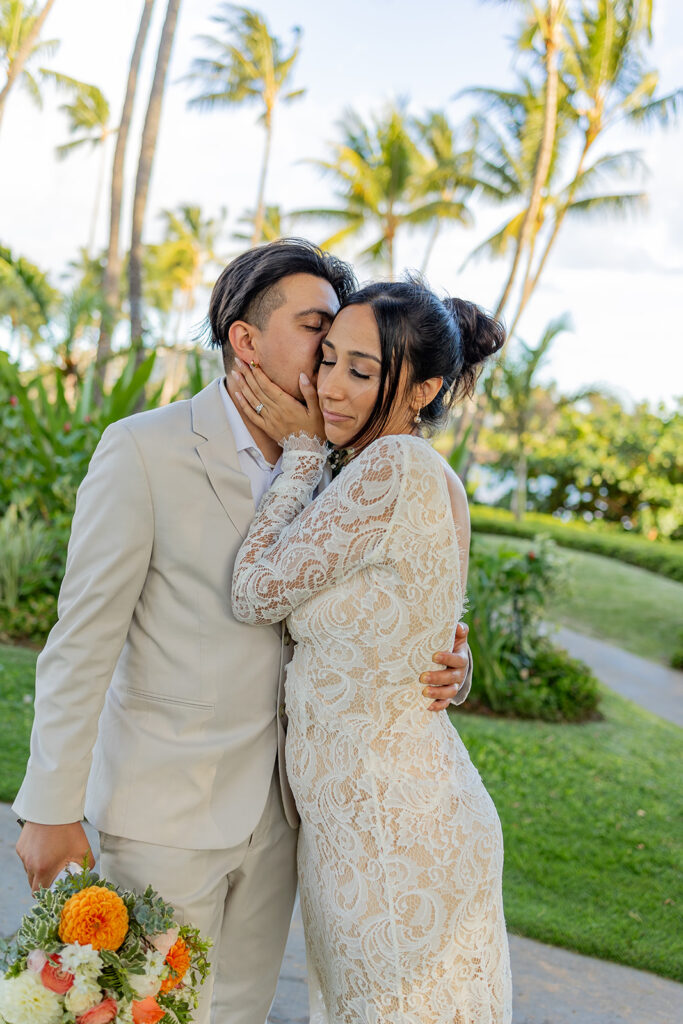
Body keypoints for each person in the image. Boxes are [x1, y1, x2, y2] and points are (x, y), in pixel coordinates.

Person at [13, 240, 473, 1024]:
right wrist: (50, 806)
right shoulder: (143, 450)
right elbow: (82, 640)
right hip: (166, 812)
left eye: (342, 349)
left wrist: (448, 663)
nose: (330, 363)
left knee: (237, 1012)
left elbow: (391, 601)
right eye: (316, 335)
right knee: (147, 1012)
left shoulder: (341, 464)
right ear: (245, 340)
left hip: (289, 818)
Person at [230, 277, 512, 1023]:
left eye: (360, 371)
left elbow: (255, 592)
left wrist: (297, 455)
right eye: (327, 359)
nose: (329, 387)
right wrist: (459, 662)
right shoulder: (412, 473)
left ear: (419, 391)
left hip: (389, 829)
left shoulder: (390, 469)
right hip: (384, 815)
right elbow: (421, 623)